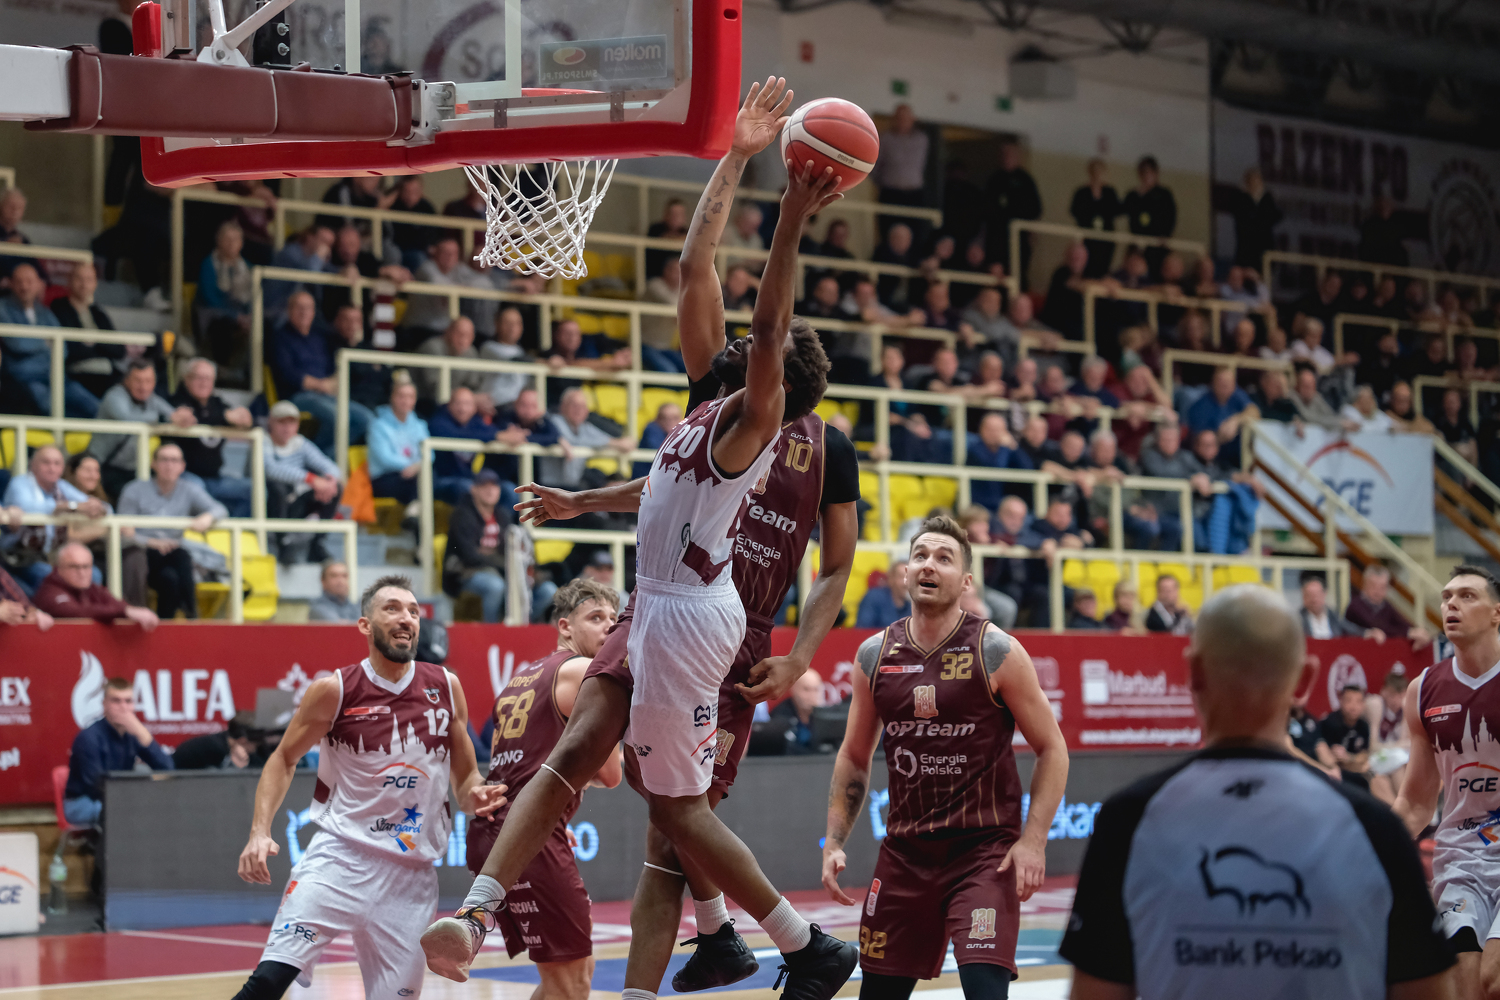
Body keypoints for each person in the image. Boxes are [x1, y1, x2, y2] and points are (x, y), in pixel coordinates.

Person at [426, 79, 861, 1000]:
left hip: (713, 626)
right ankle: (480, 910)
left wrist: (790, 211)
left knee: (672, 818)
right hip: (660, 602)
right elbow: (695, 268)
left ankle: (788, 943)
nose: (728, 341)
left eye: (748, 348)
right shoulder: (707, 407)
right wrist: (735, 157)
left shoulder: (770, 421)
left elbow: (769, 324)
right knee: (581, 748)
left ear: (771, 380)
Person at [1062, 585, 1456, 1000]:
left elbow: (1094, 993)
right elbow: (1428, 991)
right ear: (1305, 680)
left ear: (1193, 671)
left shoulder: (1129, 820)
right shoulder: (1374, 828)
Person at [824, 516, 1068, 1000]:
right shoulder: (874, 654)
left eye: (943, 558)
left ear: (966, 581)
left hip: (983, 853)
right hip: (905, 853)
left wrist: (1033, 841)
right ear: (905, 573)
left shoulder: (997, 649)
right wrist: (833, 841)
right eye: (919, 556)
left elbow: (1053, 748)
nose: (928, 565)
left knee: (984, 989)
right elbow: (853, 755)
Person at [229, 575, 500, 1000]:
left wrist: (477, 795)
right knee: (267, 982)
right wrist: (259, 831)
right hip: (340, 858)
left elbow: (465, 780)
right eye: (392, 608)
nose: (406, 618)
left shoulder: (446, 686)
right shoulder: (335, 689)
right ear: (365, 625)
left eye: (413, 611)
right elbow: (282, 758)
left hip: (411, 877)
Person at [466, 579, 625, 997]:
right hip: (530, 837)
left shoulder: (520, 678)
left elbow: (519, 761)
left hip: (496, 834)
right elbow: (612, 775)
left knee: (574, 973)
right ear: (565, 626)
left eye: (613, 619)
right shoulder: (585, 672)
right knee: (570, 983)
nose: (609, 627)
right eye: (595, 618)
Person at [1394, 566, 1500, 998]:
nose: (1452, 604)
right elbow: (1416, 802)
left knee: (1494, 980)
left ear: (1496, 613)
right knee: (1464, 989)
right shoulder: (1423, 690)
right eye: (1447, 596)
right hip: (1461, 859)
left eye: (1467, 596)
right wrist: (1366, 847)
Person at [117, 443, 227, 619]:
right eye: (164, 460)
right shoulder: (134, 490)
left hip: (172, 554)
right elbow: (124, 532)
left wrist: (207, 517)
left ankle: (171, 622)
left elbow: (219, 509)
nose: (169, 465)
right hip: (143, 551)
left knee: (171, 577)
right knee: (180, 558)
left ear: (182, 466)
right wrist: (152, 542)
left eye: (174, 460)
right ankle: (192, 615)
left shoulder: (189, 489)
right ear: (153, 464)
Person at [270, 290, 374, 457]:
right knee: (337, 417)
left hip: (327, 395)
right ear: (289, 310)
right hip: (298, 396)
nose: (304, 312)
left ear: (313, 312)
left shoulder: (320, 337)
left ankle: (320, 458)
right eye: (299, 307)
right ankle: (311, 459)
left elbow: (336, 364)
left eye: (308, 308)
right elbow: (286, 373)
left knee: (366, 419)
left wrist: (332, 383)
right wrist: (320, 385)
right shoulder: (280, 337)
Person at [63, 676, 174, 825]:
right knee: (129, 811)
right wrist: (134, 798)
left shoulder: (134, 734)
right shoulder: (88, 738)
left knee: (156, 808)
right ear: (104, 705)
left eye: (128, 701)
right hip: (82, 802)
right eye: (116, 701)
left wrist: (144, 735)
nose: (123, 707)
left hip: (118, 799)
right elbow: (96, 786)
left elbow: (167, 769)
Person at [2, 444, 110, 592]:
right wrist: (68, 506)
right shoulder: (20, 483)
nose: (52, 468)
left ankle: (83, 607)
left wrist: (97, 507)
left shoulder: (61, 486)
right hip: (20, 555)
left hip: (53, 554)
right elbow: (27, 507)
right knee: (51, 576)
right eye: (46, 462)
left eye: (57, 463)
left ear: (62, 468)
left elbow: (105, 508)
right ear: (32, 465)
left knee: (93, 574)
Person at [88, 358, 197, 501]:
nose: (143, 386)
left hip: (131, 469)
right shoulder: (114, 396)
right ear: (127, 380)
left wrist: (183, 416)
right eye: (138, 380)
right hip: (103, 467)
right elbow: (128, 418)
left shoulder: (151, 399)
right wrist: (164, 419)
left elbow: (171, 414)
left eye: (148, 381)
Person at [1, 262, 100, 418]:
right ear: (11, 283)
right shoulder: (3, 308)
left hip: (55, 375)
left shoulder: (44, 311)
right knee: (51, 408)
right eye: (19, 282)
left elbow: (62, 348)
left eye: (29, 282)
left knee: (94, 406)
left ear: (39, 284)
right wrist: (45, 342)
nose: (24, 286)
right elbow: (17, 343)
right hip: (26, 378)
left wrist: (39, 342)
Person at [168, 357, 254, 517]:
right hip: (186, 475)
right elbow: (193, 417)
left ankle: (233, 529)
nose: (204, 382)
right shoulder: (176, 402)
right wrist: (225, 417)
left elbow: (241, 419)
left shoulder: (217, 404)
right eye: (199, 377)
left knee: (254, 489)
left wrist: (244, 418)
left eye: (208, 378)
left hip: (215, 477)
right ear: (187, 379)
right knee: (196, 489)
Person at [264, 400, 343, 562]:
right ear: (271, 422)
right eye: (281, 422)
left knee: (336, 488)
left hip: (295, 504)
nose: (287, 427)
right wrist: (311, 479)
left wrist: (330, 481)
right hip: (269, 503)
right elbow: (271, 470)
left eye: (291, 422)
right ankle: (282, 542)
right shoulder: (262, 441)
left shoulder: (300, 443)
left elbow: (329, 465)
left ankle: (317, 544)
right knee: (278, 488)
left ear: (298, 425)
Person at [33, 542, 159, 629]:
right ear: (58, 568)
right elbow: (77, 612)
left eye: (86, 567)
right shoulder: (49, 591)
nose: (82, 573)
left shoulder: (92, 588)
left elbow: (116, 604)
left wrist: (129, 610)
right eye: (74, 567)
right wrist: (124, 612)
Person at [442, 471, 510, 624]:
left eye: (494, 486)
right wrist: (498, 560)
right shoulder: (461, 515)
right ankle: (491, 631)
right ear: (473, 489)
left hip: (499, 571)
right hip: (464, 574)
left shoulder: (503, 516)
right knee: (495, 585)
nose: (490, 490)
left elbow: (510, 551)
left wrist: (488, 555)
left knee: (545, 590)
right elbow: (469, 556)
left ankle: (522, 631)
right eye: (484, 486)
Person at [537, 388, 634, 490]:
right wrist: (613, 443)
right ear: (563, 407)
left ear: (587, 411)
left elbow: (600, 438)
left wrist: (618, 442)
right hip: (549, 487)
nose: (578, 410)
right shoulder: (554, 422)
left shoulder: (584, 427)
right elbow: (573, 441)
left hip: (572, 487)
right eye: (574, 405)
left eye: (582, 406)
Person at [428, 386, 502, 503]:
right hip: (443, 480)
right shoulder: (438, 422)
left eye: (467, 404)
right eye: (458, 403)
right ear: (449, 405)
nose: (462, 409)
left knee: (507, 490)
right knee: (467, 488)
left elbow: (492, 432)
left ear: (474, 408)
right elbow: (456, 435)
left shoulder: (476, 423)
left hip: (472, 480)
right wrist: (497, 436)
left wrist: (508, 435)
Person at [983, 141, 1042, 283]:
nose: (1007, 157)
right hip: (997, 238)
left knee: (1018, 276)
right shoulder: (994, 179)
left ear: (1018, 156)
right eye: (1004, 154)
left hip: (1019, 239)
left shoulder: (1026, 180)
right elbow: (986, 210)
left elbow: (1036, 209)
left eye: (1010, 154)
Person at [367, 376, 429, 508]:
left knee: (429, 477)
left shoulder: (420, 425)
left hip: (414, 474)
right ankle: (415, 513)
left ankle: (414, 512)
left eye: (410, 397)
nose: (406, 401)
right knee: (421, 482)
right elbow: (385, 458)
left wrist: (418, 466)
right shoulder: (378, 425)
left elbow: (430, 454)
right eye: (401, 396)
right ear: (392, 398)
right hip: (385, 477)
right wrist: (412, 466)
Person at [1345, 564, 1434, 650]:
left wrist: (1418, 632)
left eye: (1382, 587)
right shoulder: (1355, 606)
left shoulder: (1386, 606)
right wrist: (1408, 633)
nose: (1377, 591)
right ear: (1364, 584)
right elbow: (1378, 626)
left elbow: (1402, 623)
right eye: (1373, 585)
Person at [872, 104, 930, 228]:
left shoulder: (921, 140)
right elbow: (875, 165)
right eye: (899, 118)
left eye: (906, 118)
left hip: (914, 194)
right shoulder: (885, 139)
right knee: (887, 227)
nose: (903, 121)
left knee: (916, 229)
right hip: (890, 193)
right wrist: (883, 182)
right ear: (894, 119)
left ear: (913, 119)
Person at [1122, 156, 1177, 280]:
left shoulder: (1164, 195)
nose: (1146, 176)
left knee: (1157, 276)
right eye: (1143, 172)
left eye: (1149, 172)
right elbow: (1122, 209)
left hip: (1158, 246)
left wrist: (1165, 235)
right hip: (1137, 245)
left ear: (1156, 173)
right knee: (1134, 274)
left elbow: (1171, 217)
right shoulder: (1134, 195)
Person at [414, 316, 489, 402]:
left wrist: (473, 397)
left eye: (468, 335)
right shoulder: (432, 347)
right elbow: (434, 389)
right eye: (459, 334)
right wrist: (468, 397)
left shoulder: (471, 352)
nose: (463, 340)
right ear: (448, 332)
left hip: (454, 401)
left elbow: (473, 385)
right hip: (423, 401)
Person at [1070, 158, 1122, 278]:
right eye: (1094, 171)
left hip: (1105, 239)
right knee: (1085, 268)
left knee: (1103, 269)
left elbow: (1117, 210)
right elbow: (1075, 211)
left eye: (1100, 171)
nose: (1097, 174)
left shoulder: (1109, 192)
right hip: (1087, 238)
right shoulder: (1082, 192)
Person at [1222, 167, 1283, 269]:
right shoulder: (1240, 199)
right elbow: (1242, 218)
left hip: (1264, 248)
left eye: (1257, 181)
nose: (1255, 184)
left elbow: (1277, 216)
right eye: (1252, 181)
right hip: (1246, 250)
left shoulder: (1267, 199)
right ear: (1247, 183)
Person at [478, 305, 533, 412]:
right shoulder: (487, 348)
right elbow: (512, 360)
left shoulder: (521, 352)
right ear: (497, 324)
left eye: (517, 323)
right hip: (495, 406)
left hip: (519, 408)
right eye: (508, 323)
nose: (512, 327)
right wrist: (540, 361)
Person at [1300, 572, 1381, 640]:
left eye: (1317, 595)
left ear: (1324, 594)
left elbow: (1350, 629)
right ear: (1304, 597)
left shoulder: (1333, 616)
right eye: (1310, 595)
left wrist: (1369, 633)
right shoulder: (1299, 620)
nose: (1314, 599)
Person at [173, 712, 261, 771]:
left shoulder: (224, 739)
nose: (254, 750)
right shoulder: (216, 749)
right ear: (243, 741)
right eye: (255, 745)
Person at [770, 667, 826, 754]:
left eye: (816, 690)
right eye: (806, 689)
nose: (812, 695)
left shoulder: (825, 717)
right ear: (793, 688)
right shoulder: (780, 717)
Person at [856, 557, 910, 628]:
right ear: (891, 579)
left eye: (910, 578)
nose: (906, 583)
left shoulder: (913, 606)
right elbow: (863, 630)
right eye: (901, 577)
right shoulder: (874, 597)